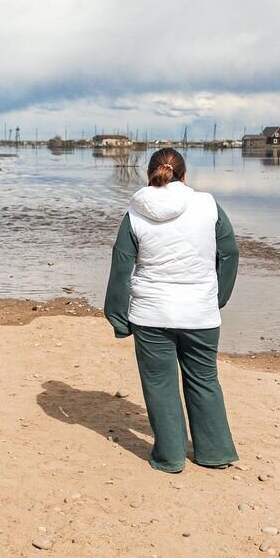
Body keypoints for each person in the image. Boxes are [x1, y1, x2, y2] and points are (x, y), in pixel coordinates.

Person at [103, 147, 240, 472]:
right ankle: (215, 453)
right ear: (184, 174)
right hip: (200, 313)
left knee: (160, 385)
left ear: (149, 174)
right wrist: (217, 298)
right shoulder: (209, 205)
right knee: (204, 379)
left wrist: (118, 318)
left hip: (152, 314)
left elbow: (121, 265)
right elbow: (230, 253)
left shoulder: (135, 212)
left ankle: (170, 457)